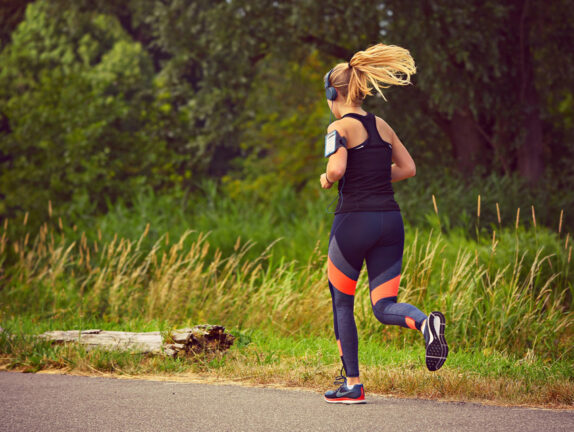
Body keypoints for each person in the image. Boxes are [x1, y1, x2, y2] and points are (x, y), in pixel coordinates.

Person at [320, 43, 448, 404]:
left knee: (342, 303)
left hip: (353, 224)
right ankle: (425, 324)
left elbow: (338, 168)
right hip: (390, 223)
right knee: (383, 305)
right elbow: (408, 169)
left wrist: (328, 179)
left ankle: (354, 384)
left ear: (334, 93)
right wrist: (374, 175)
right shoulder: (383, 125)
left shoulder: (338, 127)